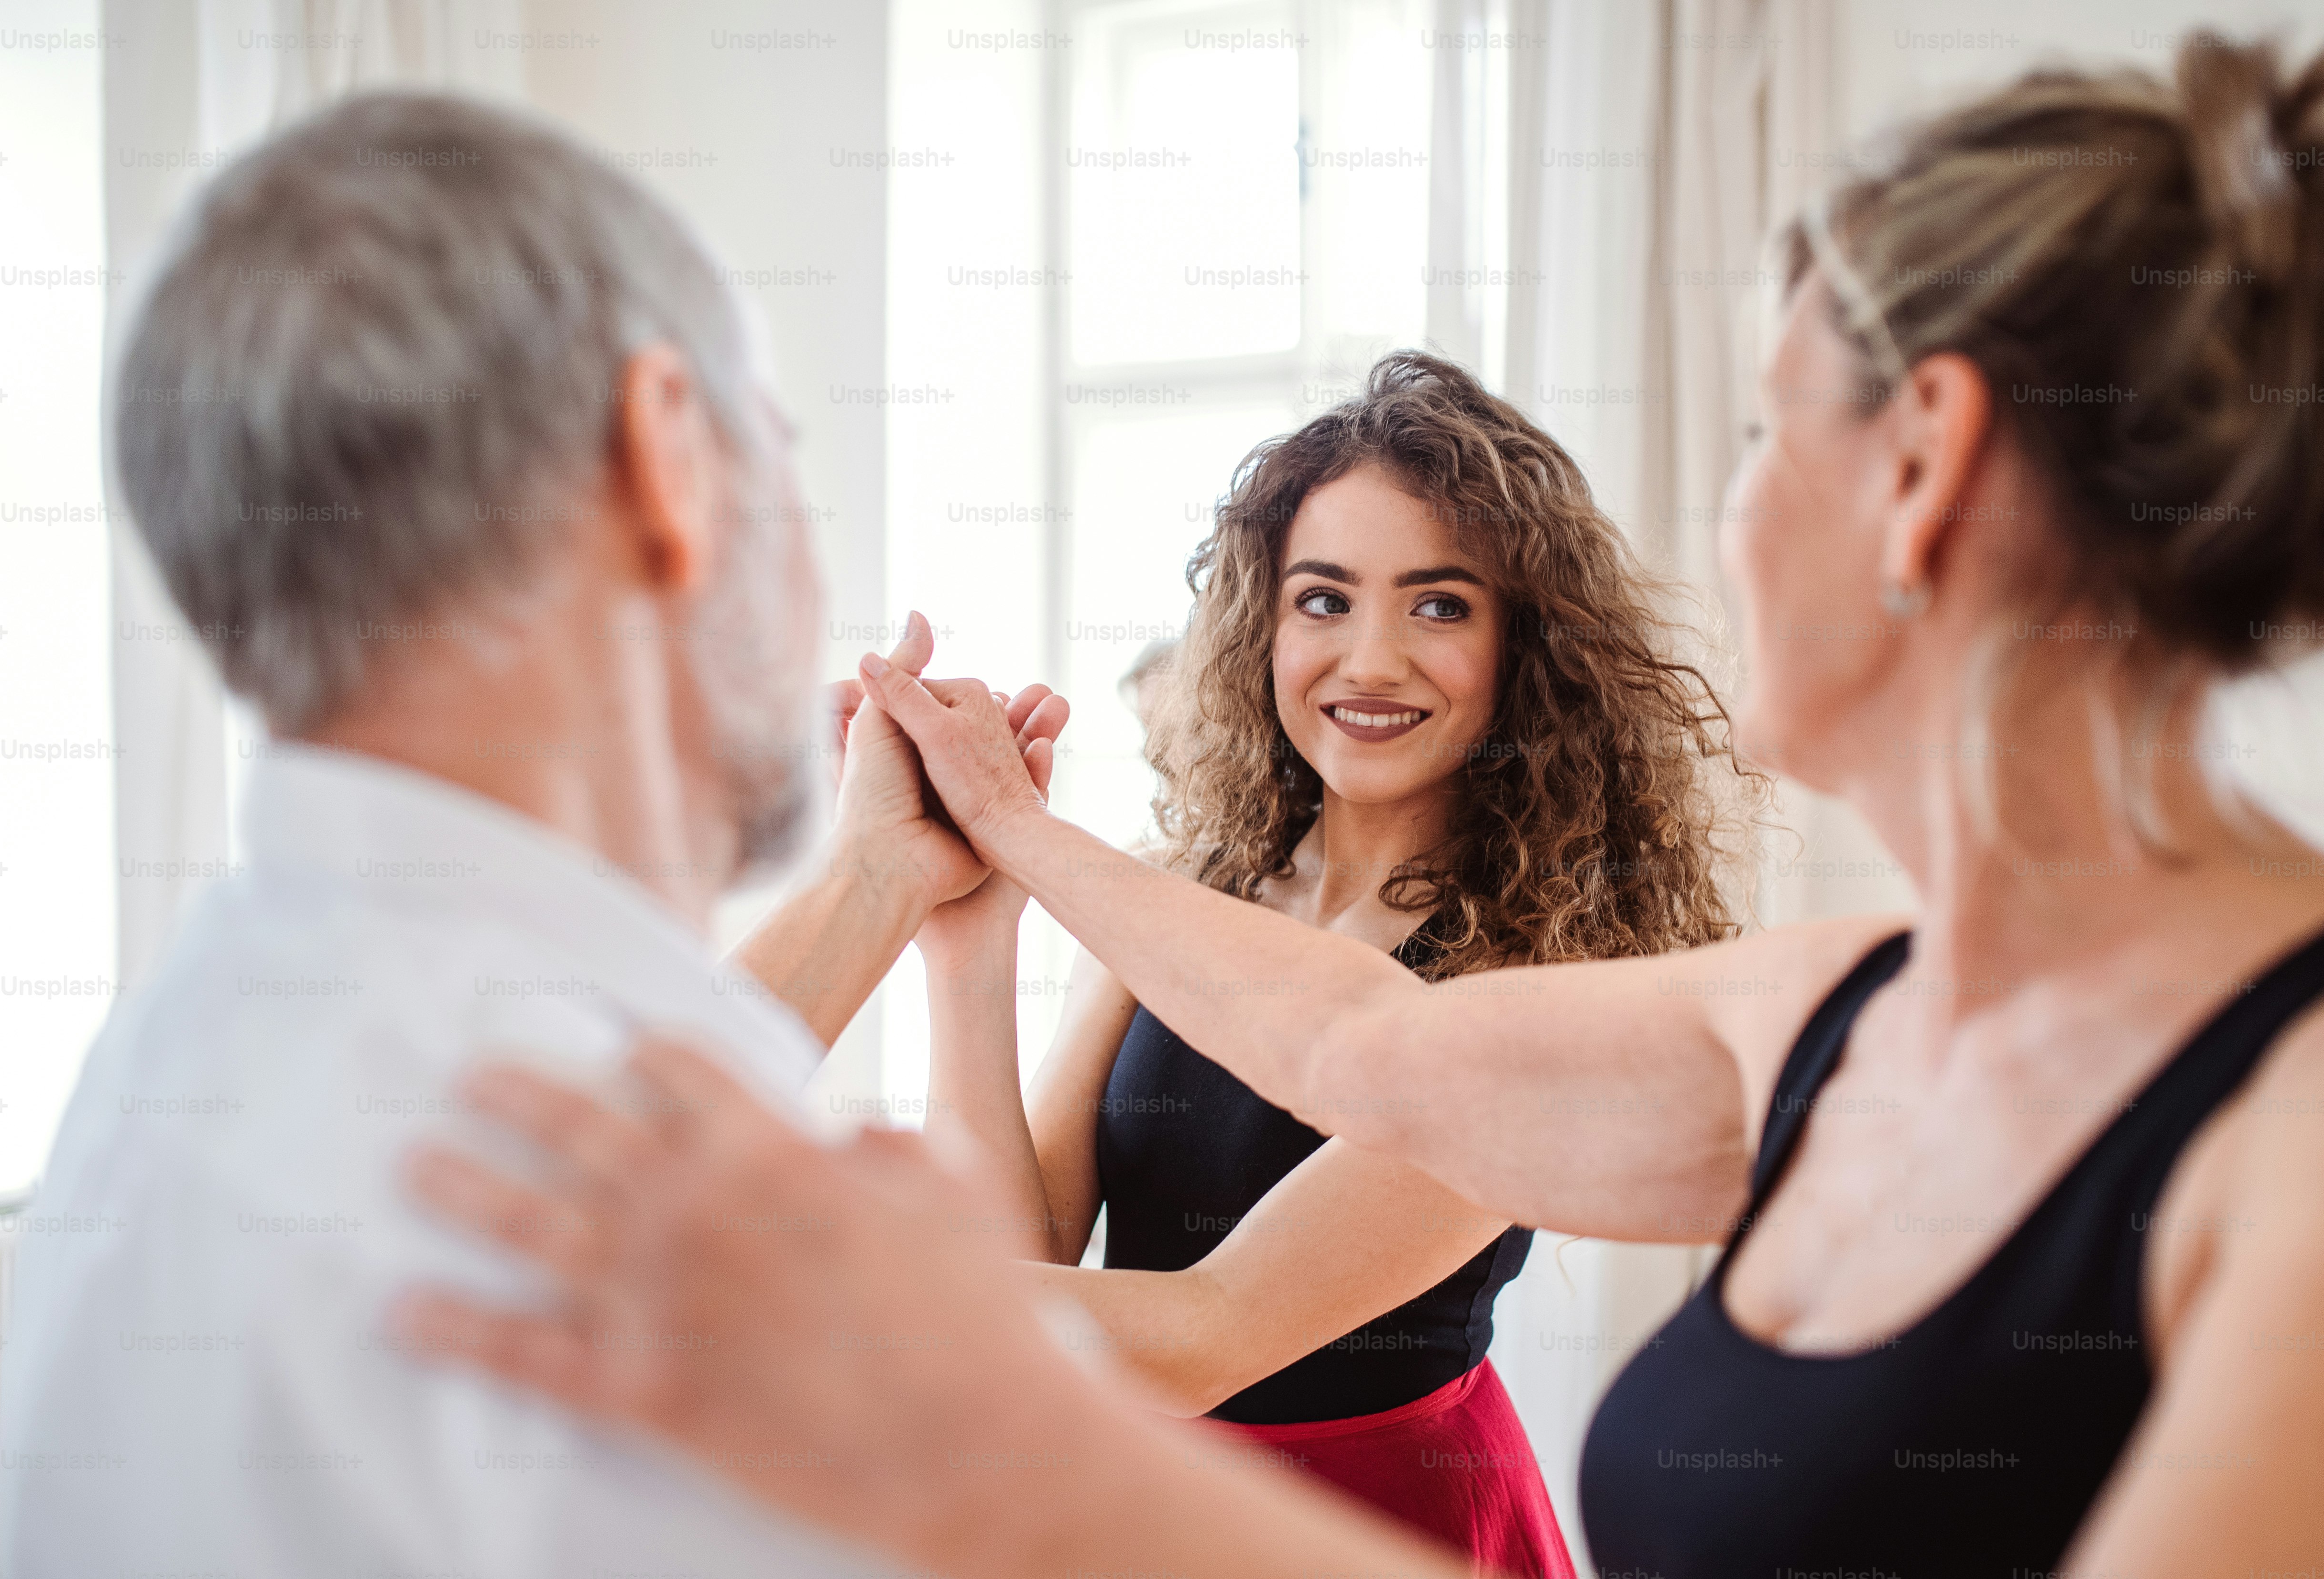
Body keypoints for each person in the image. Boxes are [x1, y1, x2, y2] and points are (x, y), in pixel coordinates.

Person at [400, 33, 2324, 1579]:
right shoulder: (1821, 1012)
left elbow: (1219, 1308)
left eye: (1758, 430)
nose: (1725, 510)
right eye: (1322, 599)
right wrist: (977, 869)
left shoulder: (2288, 1131)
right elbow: (1349, 1040)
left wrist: (875, 1335)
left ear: (1921, 468)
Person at [0, 91, 1076, 1579]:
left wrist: (878, 882)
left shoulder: (202, 1044)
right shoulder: (618, 1254)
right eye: (780, 449)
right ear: (668, 456)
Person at [918, 351, 1752, 1575]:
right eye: (1322, 599)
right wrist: (970, 931)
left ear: (1526, 646)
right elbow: (1022, 1251)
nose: (1367, 660)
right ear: (1263, 624)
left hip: (1384, 1528)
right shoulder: (1191, 886)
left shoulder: (1538, 977)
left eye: (1439, 604)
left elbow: (1209, 1334)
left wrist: (839, 1279)